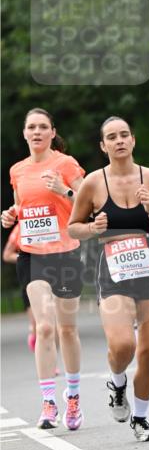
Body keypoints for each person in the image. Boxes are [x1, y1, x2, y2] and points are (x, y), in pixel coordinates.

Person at [68, 116, 149, 443]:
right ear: (103, 146)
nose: (119, 141)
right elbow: (73, 226)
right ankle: (117, 384)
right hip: (114, 268)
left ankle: (141, 418)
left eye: (124, 135)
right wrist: (92, 228)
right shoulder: (93, 183)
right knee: (122, 344)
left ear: (133, 140)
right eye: (112, 137)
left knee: (148, 353)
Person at [1, 108, 85, 430]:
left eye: (43, 127)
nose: (36, 132)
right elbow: (21, 208)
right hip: (32, 253)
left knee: (67, 329)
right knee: (45, 327)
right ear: (24, 134)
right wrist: (10, 216)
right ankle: (48, 402)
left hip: (65, 253)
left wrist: (63, 191)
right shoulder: (17, 170)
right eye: (31, 127)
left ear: (52, 132)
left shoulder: (65, 164)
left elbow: (90, 203)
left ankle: (73, 396)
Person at [3, 223, 37, 351]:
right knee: (37, 324)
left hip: (50, 276)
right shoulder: (21, 228)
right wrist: (25, 259)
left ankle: (51, 362)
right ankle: (34, 335)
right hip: (29, 279)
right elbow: (7, 255)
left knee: (50, 325)